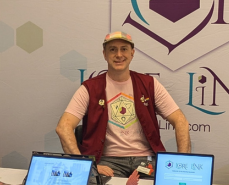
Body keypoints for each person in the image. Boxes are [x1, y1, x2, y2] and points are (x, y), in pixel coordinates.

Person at [56, 31, 191, 177]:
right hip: (107, 162)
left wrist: (180, 165)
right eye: (112, 49)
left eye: (124, 49)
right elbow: (63, 127)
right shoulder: (89, 88)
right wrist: (87, 165)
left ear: (132, 53)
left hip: (146, 161)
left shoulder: (150, 84)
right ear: (104, 54)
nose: (119, 54)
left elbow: (180, 121)